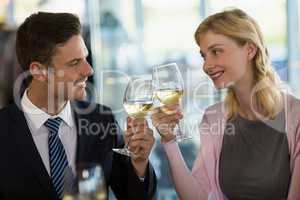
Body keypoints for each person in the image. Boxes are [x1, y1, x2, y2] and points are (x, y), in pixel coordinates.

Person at [0, 12, 156, 200]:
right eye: (75, 63)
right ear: (38, 71)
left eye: (85, 58)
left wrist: (139, 164)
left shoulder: (101, 119)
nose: (88, 70)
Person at [151, 8, 300, 200]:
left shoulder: (295, 116)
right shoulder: (215, 118)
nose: (206, 65)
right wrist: (169, 140)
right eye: (204, 55)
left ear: (250, 49)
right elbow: (196, 196)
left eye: (216, 51)